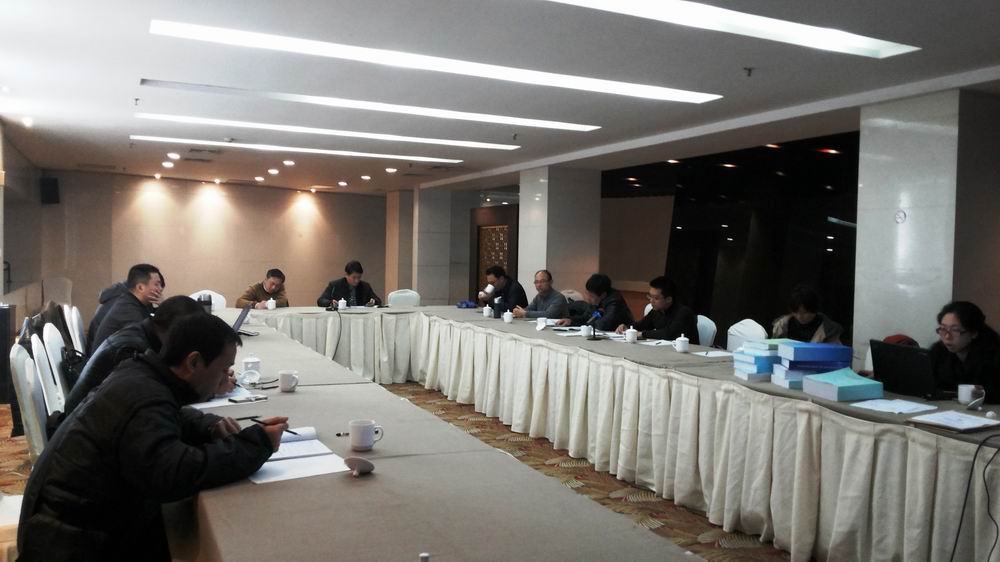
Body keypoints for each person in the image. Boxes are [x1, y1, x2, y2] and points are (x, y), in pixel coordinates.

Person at [18, 314, 288, 561]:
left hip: (74, 523)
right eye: (223, 369)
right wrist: (256, 444)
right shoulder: (145, 398)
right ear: (193, 362)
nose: (224, 379)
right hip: (75, 544)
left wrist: (209, 425)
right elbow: (176, 473)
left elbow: (172, 416)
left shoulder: (140, 373)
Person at [63, 296, 211, 421]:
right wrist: (204, 387)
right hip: (87, 428)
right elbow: (154, 403)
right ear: (174, 330)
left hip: (88, 421)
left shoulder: (142, 333)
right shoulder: (131, 352)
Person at [930, 301, 1000, 403]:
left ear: (974, 332)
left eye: (955, 330)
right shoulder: (938, 351)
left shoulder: (994, 355)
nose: (947, 336)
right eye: (943, 329)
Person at [90, 264, 164, 352]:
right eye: (157, 284)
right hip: (109, 360)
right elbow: (144, 341)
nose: (160, 289)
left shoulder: (137, 302)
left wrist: (163, 306)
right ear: (140, 287)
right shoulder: (127, 309)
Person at [616, 276, 699, 344]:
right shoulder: (656, 311)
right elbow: (641, 325)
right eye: (650, 296)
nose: (651, 301)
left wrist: (642, 334)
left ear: (669, 299)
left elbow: (669, 334)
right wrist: (627, 327)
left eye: (656, 298)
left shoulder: (684, 313)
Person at [556, 274, 633, 332]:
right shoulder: (597, 301)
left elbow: (602, 325)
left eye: (591, 296)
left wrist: (581, 325)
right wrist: (571, 321)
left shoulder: (614, 302)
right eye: (587, 294)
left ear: (603, 295)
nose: (588, 298)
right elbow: (587, 317)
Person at [771, 284, 843, 344]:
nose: (800, 317)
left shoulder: (829, 330)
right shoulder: (781, 326)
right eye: (795, 312)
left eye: (805, 313)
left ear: (814, 309)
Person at [317, 260, 382, 308]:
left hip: (361, 317)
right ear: (346, 275)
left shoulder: (365, 286)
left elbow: (378, 300)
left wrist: (373, 301)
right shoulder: (335, 285)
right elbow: (320, 300)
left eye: (359, 277)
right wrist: (330, 303)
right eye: (354, 277)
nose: (357, 281)